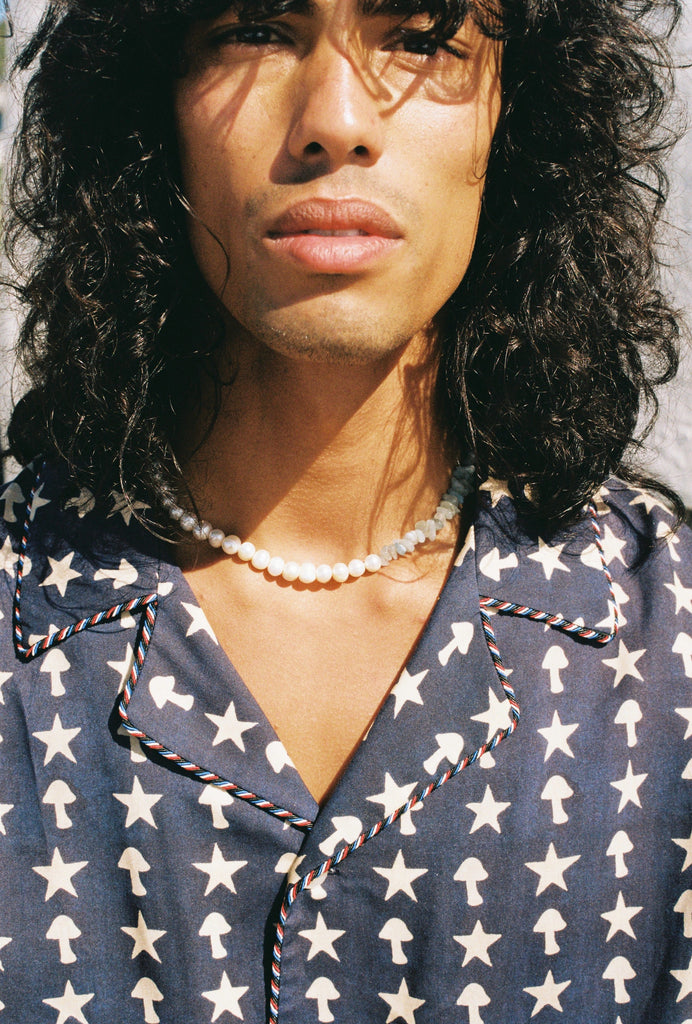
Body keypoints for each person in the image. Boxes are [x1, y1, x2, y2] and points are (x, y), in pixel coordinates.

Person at [0, 0, 690, 1021]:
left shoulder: (664, 643)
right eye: (251, 28)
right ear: (151, 107)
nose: (334, 117)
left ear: (519, 119)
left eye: (419, 37)